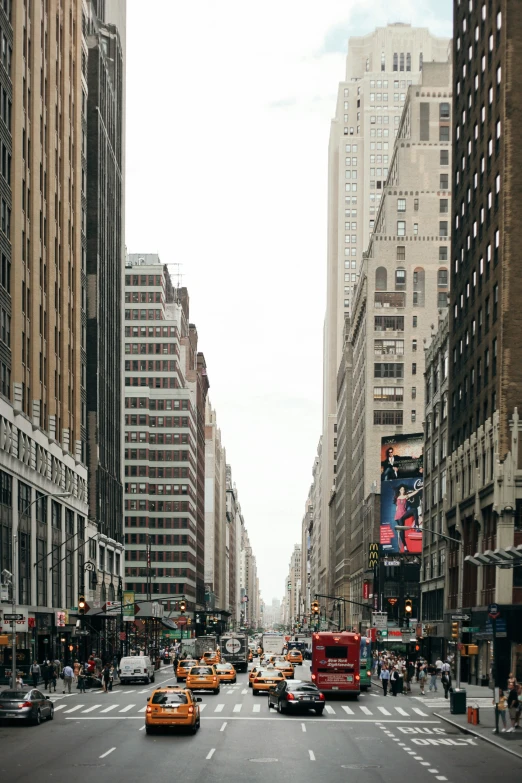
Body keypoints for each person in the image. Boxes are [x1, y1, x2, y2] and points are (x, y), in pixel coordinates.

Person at [393, 485, 423, 552]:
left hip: (403, 514)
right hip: (398, 517)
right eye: (401, 490)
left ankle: (417, 525)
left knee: (414, 510)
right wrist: (396, 517)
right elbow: (397, 507)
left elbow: (414, 493)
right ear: (399, 491)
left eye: (404, 490)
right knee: (402, 532)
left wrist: (421, 488)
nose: (403, 491)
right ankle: (405, 547)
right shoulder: (397, 498)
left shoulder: (406, 496)